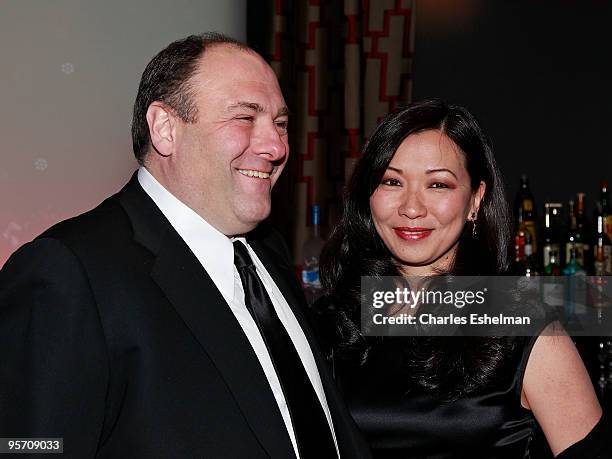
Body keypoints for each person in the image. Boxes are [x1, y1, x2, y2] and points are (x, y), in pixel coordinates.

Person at [0, 33, 370, 459]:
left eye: (281, 123)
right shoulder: (68, 272)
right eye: (245, 118)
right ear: (165, 129)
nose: (276, 146)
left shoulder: (267, 252)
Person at [314, 98, 609, 458]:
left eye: (438, 185)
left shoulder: (525, 329)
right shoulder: (332, 323)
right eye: (392, 181)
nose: (411, 207)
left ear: (475, 201)